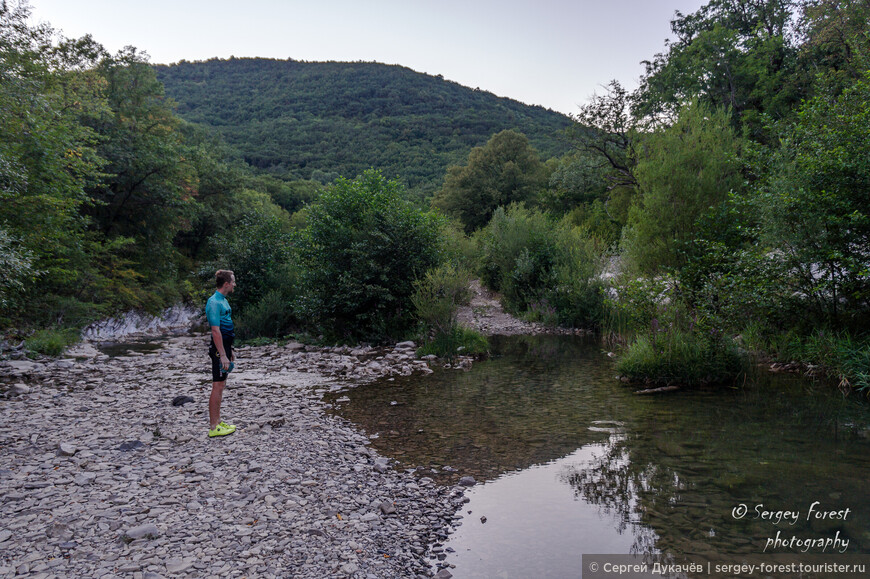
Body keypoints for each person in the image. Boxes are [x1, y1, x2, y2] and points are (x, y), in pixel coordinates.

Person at [206, 270, 237, 437]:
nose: (234, 285)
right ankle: (213, 427)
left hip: (224, 347)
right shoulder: (213, 302)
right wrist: (222, 354)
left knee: (222, 384)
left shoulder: (223, 300)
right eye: (233, 282)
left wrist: (229, 350)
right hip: (218, 351)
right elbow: (215, 331)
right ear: (226, 284)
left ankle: (217, 421)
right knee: (217, 385)